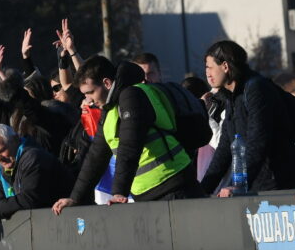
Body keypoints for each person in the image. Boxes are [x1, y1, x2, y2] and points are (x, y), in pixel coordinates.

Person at [53, 61, 199, 215]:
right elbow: (96, 156)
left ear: (107, 83)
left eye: (90, 92)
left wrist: (119, 193)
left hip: (174, 184)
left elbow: (129, 147)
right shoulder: (109, 109)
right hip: (148, 192)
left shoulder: (132, 96)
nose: (88, 100)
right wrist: (75, 198)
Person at [200, 40, 295, 195]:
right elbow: (225, 147)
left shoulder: (256, 89)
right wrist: (203, 189)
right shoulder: (231, 96)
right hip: (256, 185)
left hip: (277, 185)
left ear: (225, 66)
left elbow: (258, 141)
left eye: (209, 67)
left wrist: (237, 185)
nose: (207, 73)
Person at [0, 125, 72, 237]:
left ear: (15, 140)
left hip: (64, 227)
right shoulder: (4, 168)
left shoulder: (33, 157)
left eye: (1, 151)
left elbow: (29, 200)